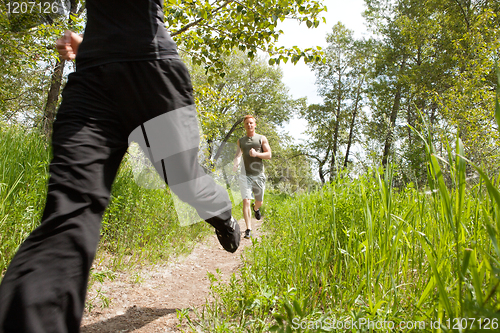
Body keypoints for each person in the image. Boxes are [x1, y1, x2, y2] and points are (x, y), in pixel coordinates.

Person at [0, 1, 240, 332]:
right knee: (70, 208)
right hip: (93, 78)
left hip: (154, 72)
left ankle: (222, 215)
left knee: (184, 181)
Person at [233, 115, 272, 239]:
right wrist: (236, 163)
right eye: (247, 123)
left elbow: (269, 155)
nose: (249, 125)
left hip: (259, 175)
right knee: (246, 200)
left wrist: (256, 154)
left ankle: (256, 209)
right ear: (244, 126)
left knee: (259, 201)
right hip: (245, 175)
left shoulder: (261, 138)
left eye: (251, 123)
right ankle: (248, 229)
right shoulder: (241, 141)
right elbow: (238, 155)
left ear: (254, 124)